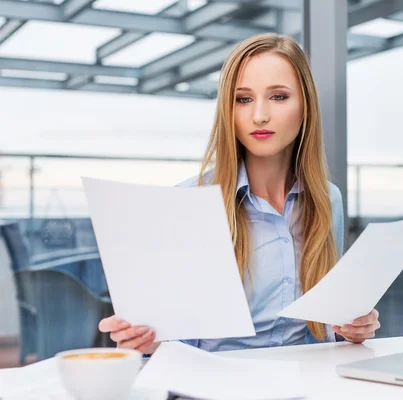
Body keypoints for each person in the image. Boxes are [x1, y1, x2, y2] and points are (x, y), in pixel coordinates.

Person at [98, 33, 381, 354]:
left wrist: (354, 325)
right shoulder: (189, 201)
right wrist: (145, 339)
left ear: (305, 106)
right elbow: (175, 340)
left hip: (306, 381)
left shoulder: (327, 199)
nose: (259, 115)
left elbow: (325, 320)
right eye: (243, 99)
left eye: (278, 96)